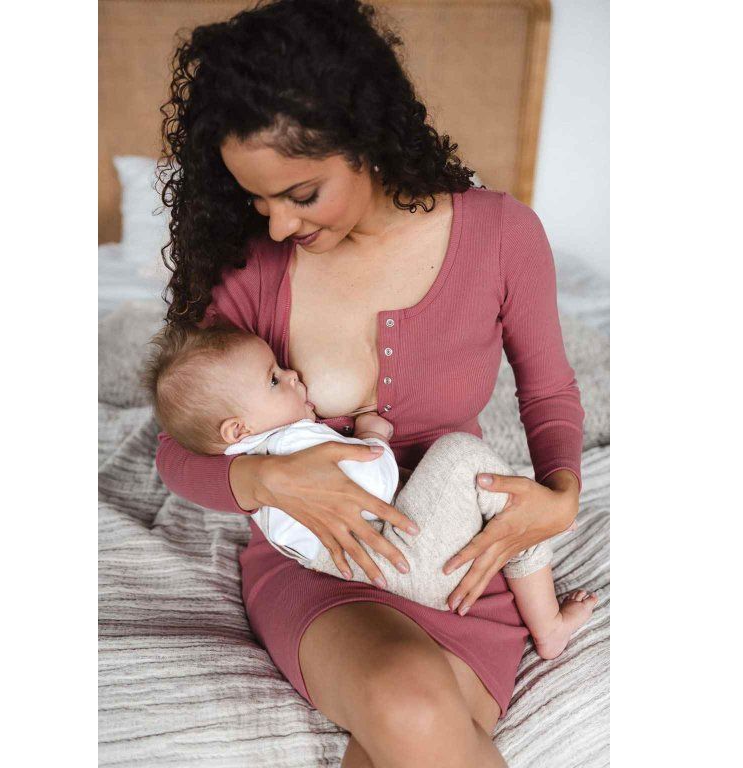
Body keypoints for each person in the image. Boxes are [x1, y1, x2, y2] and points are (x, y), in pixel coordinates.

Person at [155, 1, 585, 765]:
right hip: (323, 565)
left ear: (366, 139)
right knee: (409, 703)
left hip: (460, 556)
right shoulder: (253, 267)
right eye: (257, 199)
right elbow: (177, 455)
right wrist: (266, 480)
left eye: (301, 194)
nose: (277, 225)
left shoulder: (501, 235)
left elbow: (548, 392)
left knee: (412, 728)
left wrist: (561, 496)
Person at [143, 323, 596, 637]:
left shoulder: (254, 460)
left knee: (472, 484)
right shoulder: (292, 443)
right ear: (237, 428)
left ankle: (529, 519)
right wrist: (372, 436)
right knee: (463, 457)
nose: (293, 375)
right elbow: (375, 488)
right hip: (406, 561)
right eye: (275, 380)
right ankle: (549, 624)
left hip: (383, 576)